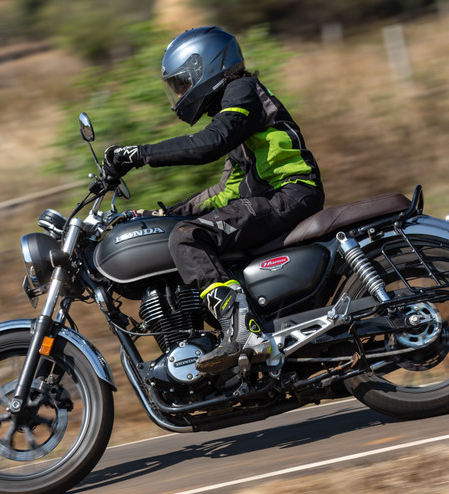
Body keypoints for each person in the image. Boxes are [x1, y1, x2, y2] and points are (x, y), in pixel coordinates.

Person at [103, 26, 324, 374]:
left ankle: (243, 334)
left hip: (291, 191)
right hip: (276, 195)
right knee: (182, 228)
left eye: (182, 83)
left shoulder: (242, 91)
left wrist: (139, 154)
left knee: (189, 237)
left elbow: (210, 142)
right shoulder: (234, 111)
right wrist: (164, 214)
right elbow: (225, 191)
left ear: (205, 67)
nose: (180, 94)